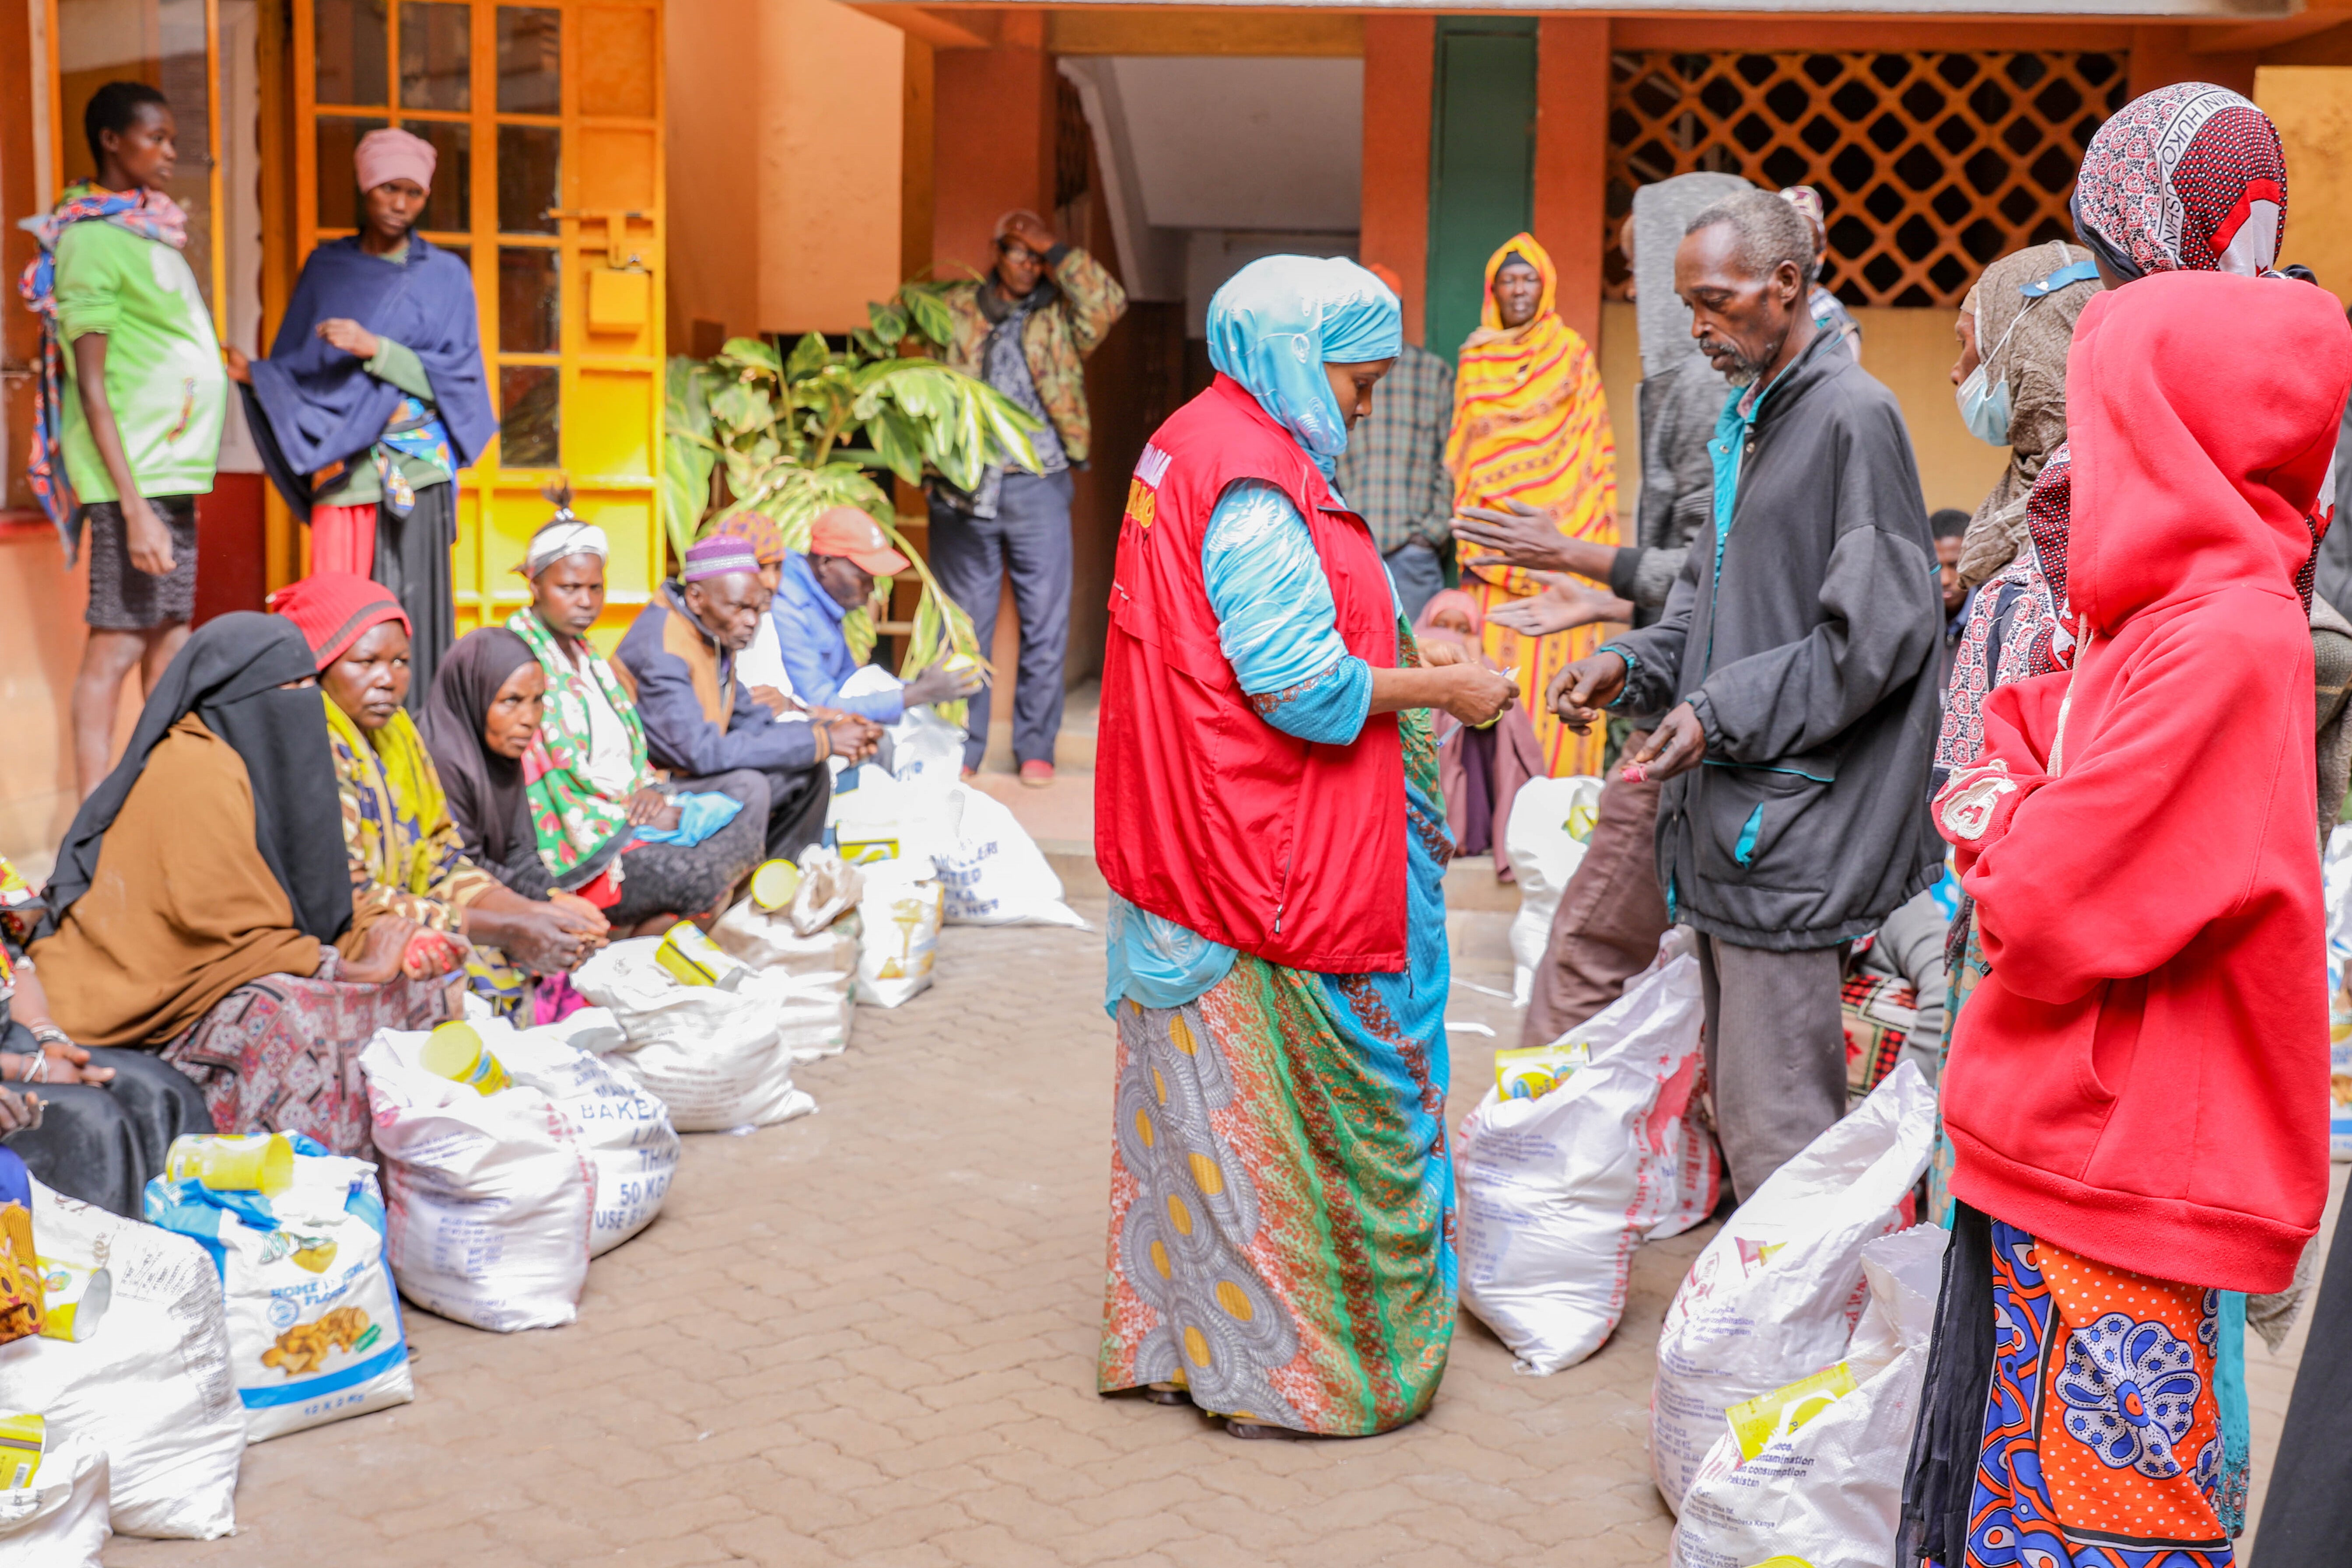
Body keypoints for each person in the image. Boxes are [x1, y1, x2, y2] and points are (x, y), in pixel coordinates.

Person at [1902, 270, 2348, 1568]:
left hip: (2117, 1165)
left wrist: (2000, 819)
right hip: (2070, 1150)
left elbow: (2038, 900)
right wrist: (2014, 804)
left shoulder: (2220, 640)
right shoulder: (2161, 613)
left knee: (2087, 1525)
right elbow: (2014, 744)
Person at [1093, 255, 1517, 1438]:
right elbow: (1298, 686)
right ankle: (1303, 1376)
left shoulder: (1196, 438)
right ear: (1294, 354)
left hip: (1188, 841)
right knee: (1290, 1132)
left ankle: (1193, 1348)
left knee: (1198, 1130)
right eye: (1358, 377)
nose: (1367, 404)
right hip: (1250, 858)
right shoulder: (1252, 484)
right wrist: (1447, 686)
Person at [1547, 189, 1943, 1202]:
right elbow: (1708, 610)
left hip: (1794, 833)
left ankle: (1797, 1351)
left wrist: (1720, 710)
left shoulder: (1852, 418)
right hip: (1734, 826)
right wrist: (1633, 664)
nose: (1698, 328)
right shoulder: (1749, 421)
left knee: (1782, 1137)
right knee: (1750, 1114)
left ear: (1786, 283)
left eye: (1716, 302)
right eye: (1686, 306)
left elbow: (1879, 636)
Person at [1470, 173, 1746, 1044]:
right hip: (1685, 688)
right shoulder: (1686, 377)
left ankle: (1539, 1157)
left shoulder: (1703, 384)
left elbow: (1716, 569)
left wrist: (1580, 560)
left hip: (1693, 714)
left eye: (1642, 266)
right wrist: (1600, 602)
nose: (1634, 291)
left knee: (1585, 948)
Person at [28, 614, 448, 1159]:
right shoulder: (192, 769)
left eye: (306, 687)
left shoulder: (268, 757)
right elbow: (219, 924)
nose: (300, 703)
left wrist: (385, 932)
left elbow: (319, 892)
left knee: (424, 976)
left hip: (237, 958)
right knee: (282, 1015)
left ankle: (397, 1180)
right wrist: (345, 967)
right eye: (284, 688)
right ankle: (293, 1199)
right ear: (232, 694)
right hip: (144, 991)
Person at [229, 127, 496, 709]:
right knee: (336, 610)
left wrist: (375, 347)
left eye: (414, 194)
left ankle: (416, 747)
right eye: (387, 190)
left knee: (415, 618)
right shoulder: (328, 269)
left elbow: (460, 382)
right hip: (343, 468)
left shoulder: (446, 276)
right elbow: (299, 369)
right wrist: (260, 378)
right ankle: (332, 745)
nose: (400, 205)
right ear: (363, 187)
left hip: (415, 469)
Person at [270, 572, 606, 1019]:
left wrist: (535, 914)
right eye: (366, 661)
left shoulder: (399, 737)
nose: (388, 679)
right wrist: (510, 926)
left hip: (408, 918)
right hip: (339, 943)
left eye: (401, 661)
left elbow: (443, 861)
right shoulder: (311, 746)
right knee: (474, 978)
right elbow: (351, 899)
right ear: (323, 664)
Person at [20, 83, 227, 800]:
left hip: (167, 471)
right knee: (117, 641)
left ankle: (160, 804)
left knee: (169, 633)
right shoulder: (88, 239)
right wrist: (133, 508)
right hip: (130, 478)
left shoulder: (148, 229)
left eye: (172, 138)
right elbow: (92, 385)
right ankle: (92, 819)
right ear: (113, 140)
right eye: (156, 137)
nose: (170, 151)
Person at [928, 210, 1128, 784]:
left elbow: (1109, 301)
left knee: (1046, 621)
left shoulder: (1058, 316)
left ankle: (1034, 747)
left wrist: (1057, 247)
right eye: (1019, 252)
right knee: (963, 625)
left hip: (1038, 480)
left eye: (1037, 257)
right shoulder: (958, 309)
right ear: (996, 253)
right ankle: (962, 750)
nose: (1029, 265)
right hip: (964, 484)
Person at [422, 625, 766, 935]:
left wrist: (551, 897)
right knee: (697, 880)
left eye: (538, 701)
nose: (529, 719)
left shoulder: (503, 755)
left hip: (517, 891)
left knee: (750, 809)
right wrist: (546, 906)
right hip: (462, 914)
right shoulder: (441, 764)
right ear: (474, 695)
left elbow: (520, 852)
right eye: (511, 701)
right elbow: (462, 869)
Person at [1443, 234, 1618, 779]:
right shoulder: (1475, 356)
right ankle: (1498, 829)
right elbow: (1466, 450)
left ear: (1547, 287)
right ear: (1492, 290)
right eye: (1508, 280)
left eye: (1530, 279)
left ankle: (1562, 813)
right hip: (1495, 563)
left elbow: (1595, 447)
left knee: (1565, 683)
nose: (1519, 290)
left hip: (1561, 559)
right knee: (1497, 691)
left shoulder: (1570, 352)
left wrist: (1587, 544)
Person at [614, 536, 877, 858]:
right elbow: (701, 752)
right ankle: (721, 892)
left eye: (756, 609)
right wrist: (822, 740)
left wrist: (826, 732)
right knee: (748, 787)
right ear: (697, 598)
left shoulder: (711, 632)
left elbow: (752, 723)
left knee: (810, 771)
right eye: (740, 608)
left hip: (686, 772)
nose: (752, 621)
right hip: (648, 787)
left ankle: (779, 881)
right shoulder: (664, 649)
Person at [0, 856, 213, 1217]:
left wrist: (49, 1040)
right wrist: (25, 1069)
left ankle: (193, 1251)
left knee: (160, 1091)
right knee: (92, 1120)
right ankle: (108, 1267)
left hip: (14, 1040)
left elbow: (14, 962)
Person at [755, 507, 983, 725]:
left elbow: (848, 682)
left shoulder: (821, 599)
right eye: (864, 577)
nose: (872, 588)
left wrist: (918, 687)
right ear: (827, 563)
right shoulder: (787, 609)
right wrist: (917, 693)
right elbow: (820, 707)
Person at [1332, 262, 1456, 624]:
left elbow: (1451, 459)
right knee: (1353, 658)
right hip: (1349, 545)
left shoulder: (1433, 373)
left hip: (1412, 552)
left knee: (1416, 660)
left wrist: (1430, 534)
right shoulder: (1334, 372)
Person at [1415, 590, 1543, 873]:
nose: (1451, 636)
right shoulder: (1407, 665)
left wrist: (1473, 659)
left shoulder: (1486, 663)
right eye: (1441, 626)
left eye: (1463, 630)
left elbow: (1493, 719)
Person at [1776, 186, 1863, 363]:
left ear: (1821, 252)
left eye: (1806, 245)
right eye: (1785, 242)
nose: (1795, 256)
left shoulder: (1832, 320)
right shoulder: (1758, 306)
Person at [1930, 508, 1970, 691]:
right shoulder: (1908, 623)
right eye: (1935, 567)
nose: (1945, 580)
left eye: (1955, 566)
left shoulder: (1995, 621)